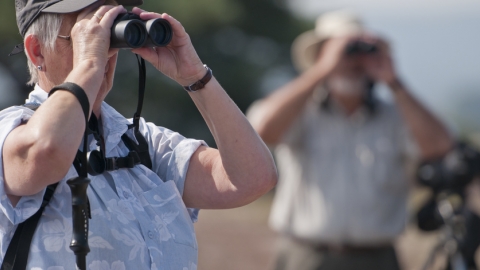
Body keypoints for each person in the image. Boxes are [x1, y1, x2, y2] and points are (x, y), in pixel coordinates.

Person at [0, 0, 277, 269]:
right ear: (37, 51)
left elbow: (253, 178)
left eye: (110, 33)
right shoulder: (12, 131)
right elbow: (45, 152)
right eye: (88, 35)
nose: (104, 51)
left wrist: (195, 76)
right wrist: (88, 65)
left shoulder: (141, 143)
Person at [247, 10, 453, 270]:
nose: (352, 62)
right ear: (320, 56)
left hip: (377, 258)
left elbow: (442, 147)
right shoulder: (300, 112)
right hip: (306, 255)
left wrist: (395, 83)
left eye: (360, 53)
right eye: (343, 52)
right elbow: (259, 131)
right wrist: (321, 70)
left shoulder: (395, 117)